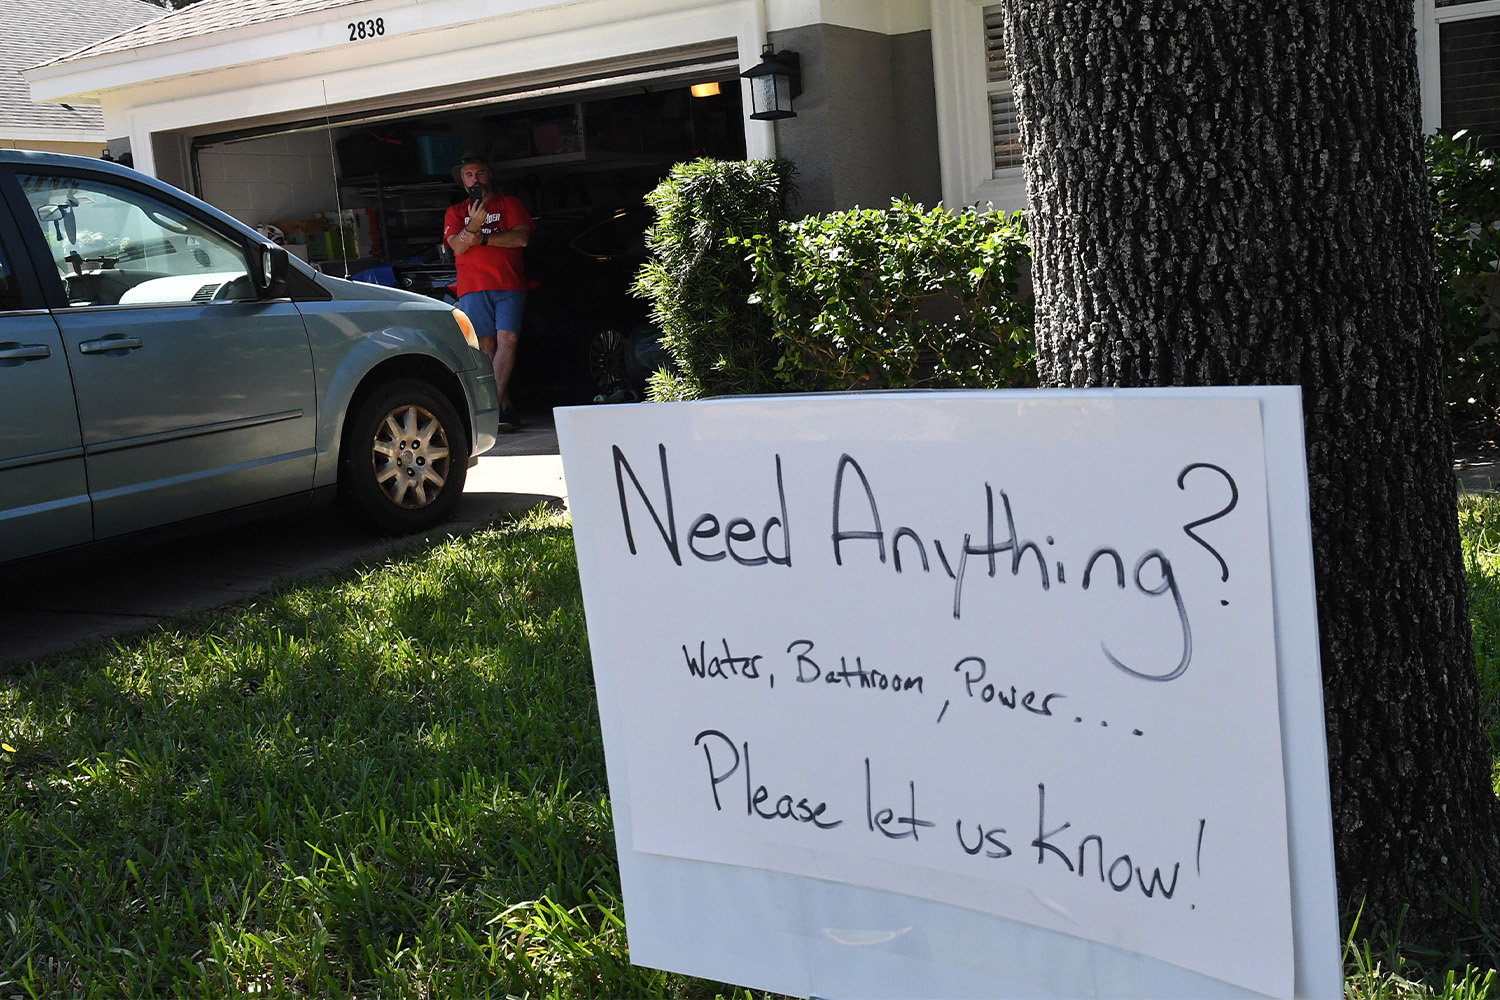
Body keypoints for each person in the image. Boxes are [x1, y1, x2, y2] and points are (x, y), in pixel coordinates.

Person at [444, 156, 534, 432]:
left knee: (508, 339)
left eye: (479, 172)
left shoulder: (509, 203)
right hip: (472, 285)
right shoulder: (456, 211)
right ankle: (504, 409)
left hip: (508, 283)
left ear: (489, 175)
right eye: (468, 174)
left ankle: (489, 411)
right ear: (463, 181)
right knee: (486, 348)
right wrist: (472, 226)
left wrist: (481, 238)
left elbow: (521, 238)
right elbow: (456, 247)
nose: (475, 179)